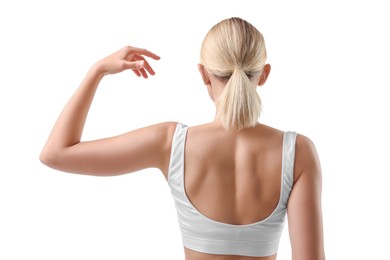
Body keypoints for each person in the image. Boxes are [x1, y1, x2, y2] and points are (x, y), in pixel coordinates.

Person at [40, 17, 325, 260]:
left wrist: (97, 71)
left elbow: (55, 153)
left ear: (203, 74)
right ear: (263, 75)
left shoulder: (171, 143)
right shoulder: (297, 152)